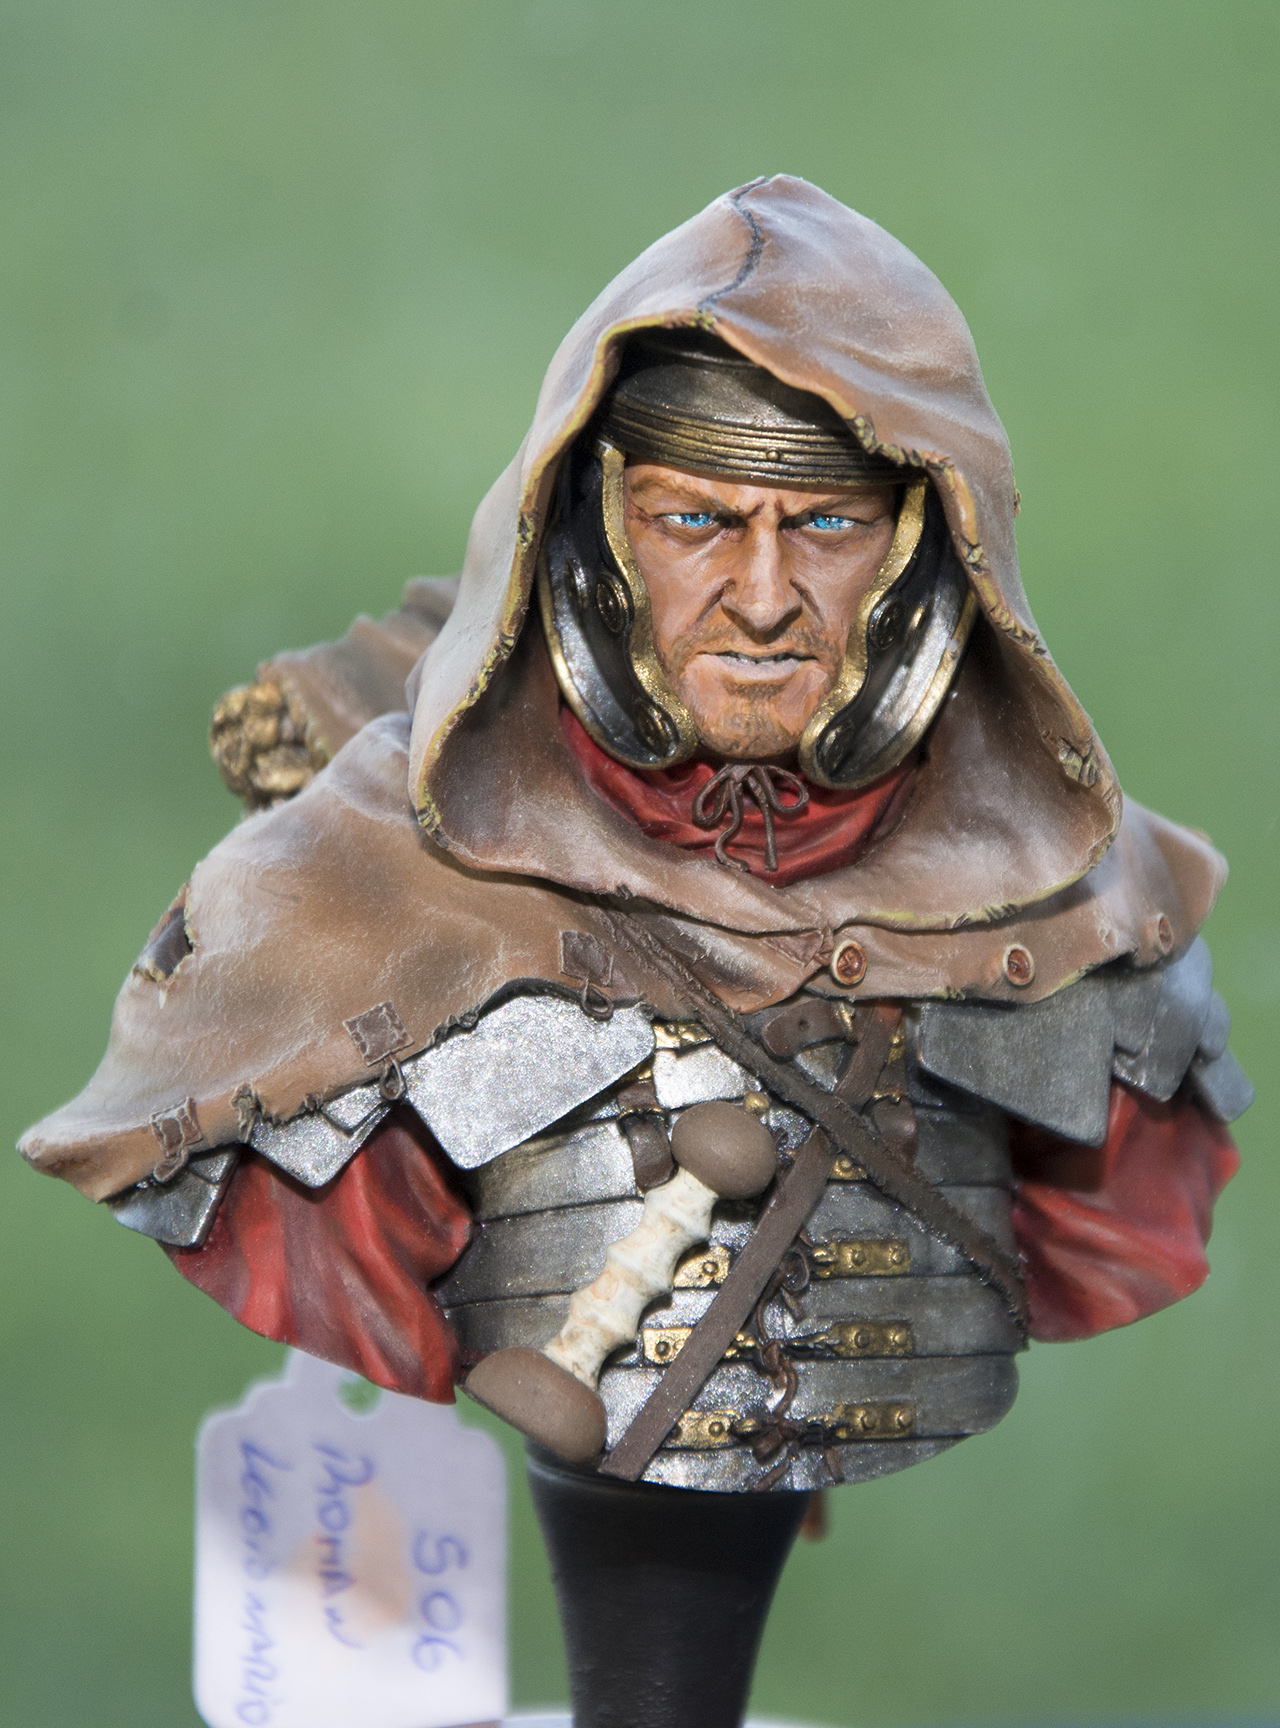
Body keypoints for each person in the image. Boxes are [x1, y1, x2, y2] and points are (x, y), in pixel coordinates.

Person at [20, 176, 1251, 1496]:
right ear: (597, 537)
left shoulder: (1088, 902)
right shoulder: (347, 893)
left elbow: (1117, 1208)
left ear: (924, 552)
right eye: (696, 522)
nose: (764, 599)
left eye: (827, 525)